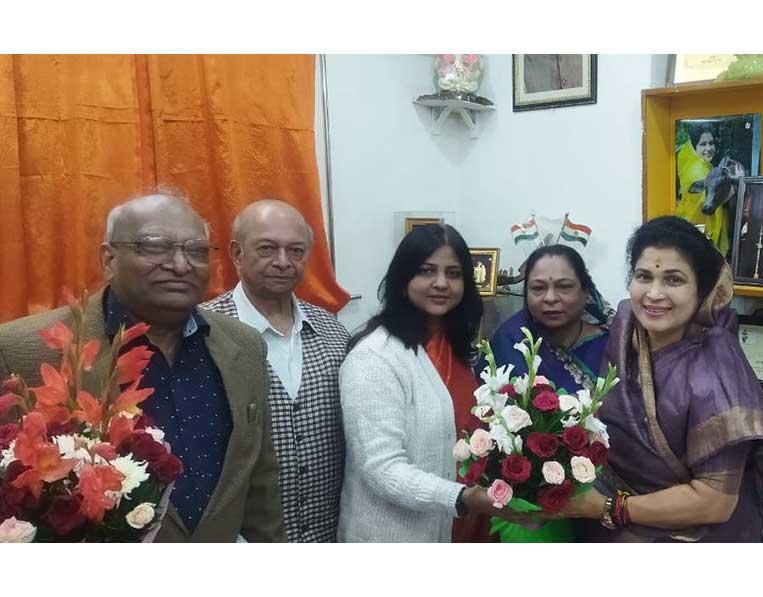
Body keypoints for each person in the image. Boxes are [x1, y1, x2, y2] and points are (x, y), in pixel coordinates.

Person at [0, 193, 286, 542]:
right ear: (109, 259)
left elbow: (260, 482)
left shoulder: (244, 346)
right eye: (155, 246)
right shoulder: (22, 352)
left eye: (197, 251)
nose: (180, 265)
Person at [559, 216, 763, 542]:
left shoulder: (718, 366)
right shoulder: (626, 331)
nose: (654, 294)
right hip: (606, 524)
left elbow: (715, 502)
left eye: (674, 280)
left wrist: (610, 507)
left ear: (702, 291)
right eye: (643, 276)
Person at [337, 224, 517, 542]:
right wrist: (461, 497)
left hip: (460, 525)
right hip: (395, 536)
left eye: (453, 273)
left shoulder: (457, 348)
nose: (441, 283)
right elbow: (382, 469)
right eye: (427, 271)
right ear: (403, 279)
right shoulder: (375, 357)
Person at [202, 199, 348, 542]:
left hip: (329, 536)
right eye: (267, 248)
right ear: (237, 254)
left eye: (295, 251)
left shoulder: (333, 332)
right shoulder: (204, 334)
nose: (283, 262)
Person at [486, 245, 613, 396]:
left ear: (586, 291)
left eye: (564, 287)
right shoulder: (509, 342)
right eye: (538, 288)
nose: (550, 298)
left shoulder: (612, 346)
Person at [675, 124, 730, 256]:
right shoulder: (697, 171)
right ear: (695, 146)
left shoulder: (705, 166)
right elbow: (705, 203)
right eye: (703, 144)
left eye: (711, 143)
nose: (708, 148)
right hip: (696, 233)